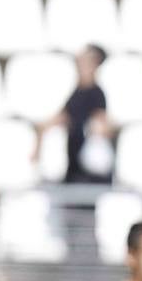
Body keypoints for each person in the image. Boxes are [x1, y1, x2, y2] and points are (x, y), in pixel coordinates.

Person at [35, 45, 112, 185]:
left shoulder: (97, 94)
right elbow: (60, 118)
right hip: (74, 167)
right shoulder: (76, 93)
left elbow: (103, 126)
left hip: (89, 172)